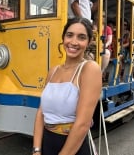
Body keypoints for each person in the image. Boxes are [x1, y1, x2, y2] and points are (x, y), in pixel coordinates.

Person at [32, 17, 102, 155]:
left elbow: (83, 124)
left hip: (73, 148)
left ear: (88, 42)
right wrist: (36, 150)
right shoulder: (53, 71)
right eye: (69, 35)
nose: (74, 42)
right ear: (63, 38)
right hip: (47, 144)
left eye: (81, 37)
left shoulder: (89, 69)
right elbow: (41, 112)